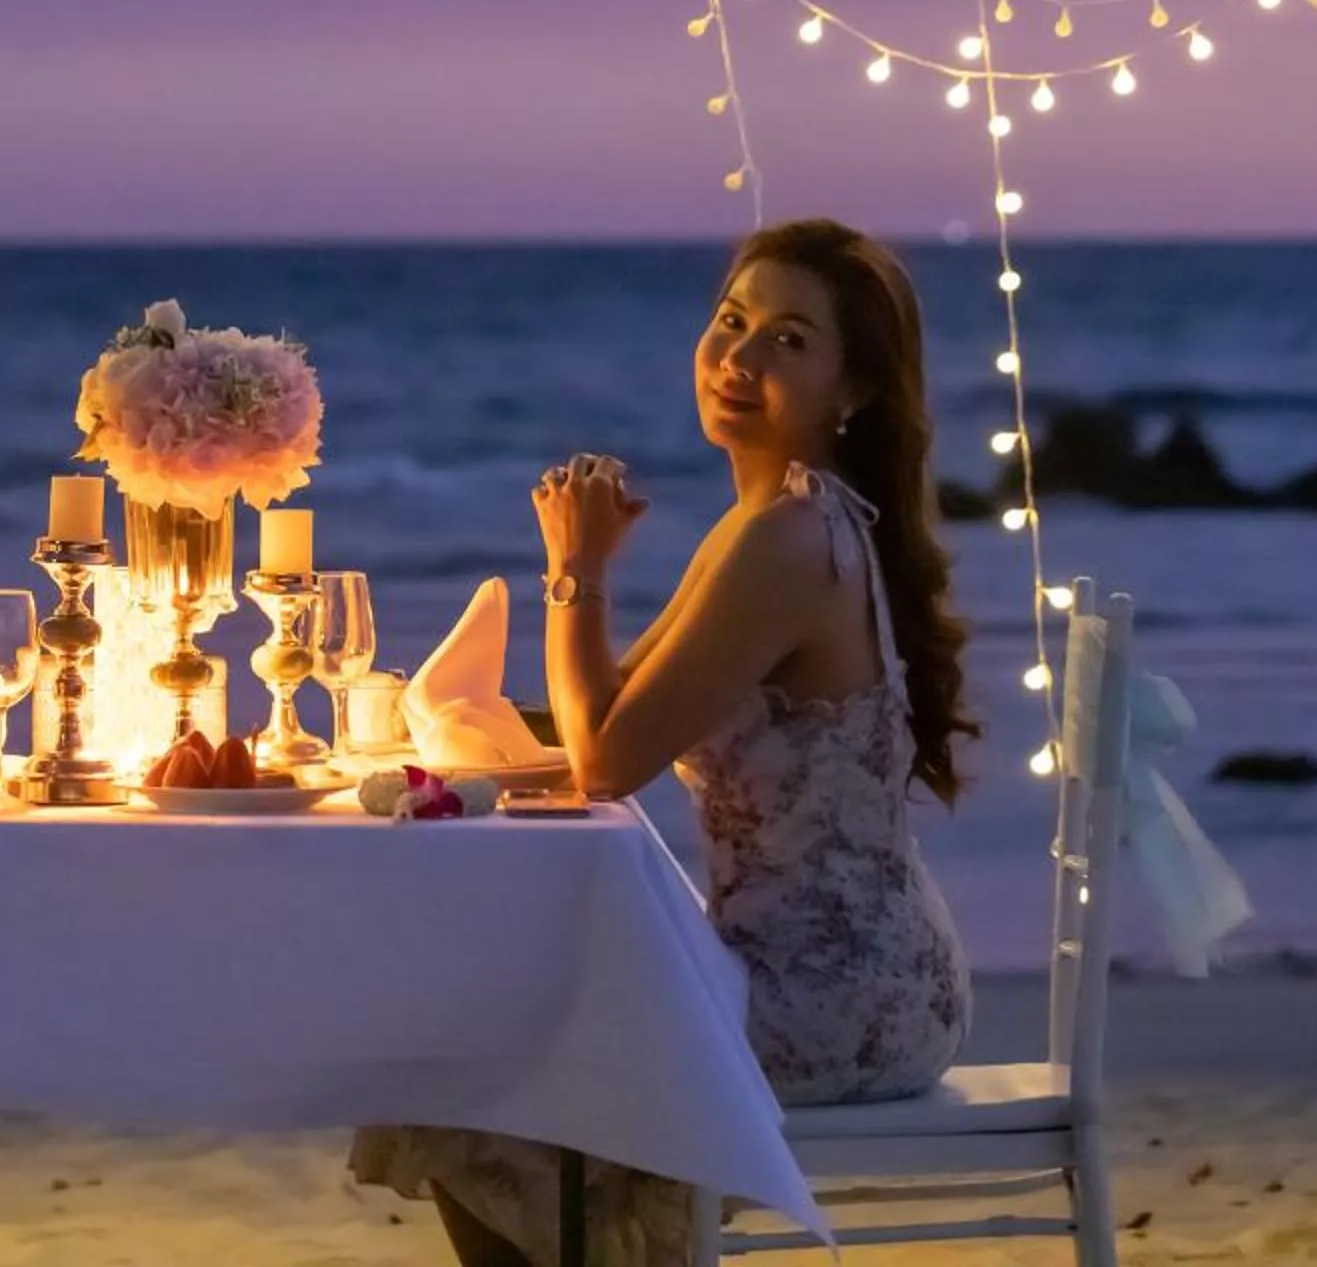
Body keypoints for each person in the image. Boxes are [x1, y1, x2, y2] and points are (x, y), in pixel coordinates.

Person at [355, 217, 977, 1267]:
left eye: (788, 341)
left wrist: (577, 565)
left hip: (831, 990)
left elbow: (604, 761)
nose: (738, 358)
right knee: (478, 1045)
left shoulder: (788, 538)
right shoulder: (770, 521)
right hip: (822, 965)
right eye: (731, 320)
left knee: (467, 1073)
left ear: (852, 390)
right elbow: (605, 709)